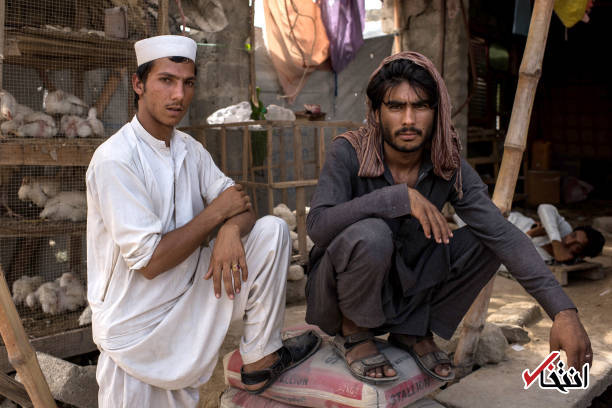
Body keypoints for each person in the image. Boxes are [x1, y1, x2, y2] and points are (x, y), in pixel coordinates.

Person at [305, 52, 592, 384]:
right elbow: (319, 227)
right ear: (376, 111)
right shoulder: (348, 151)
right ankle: (355, 333)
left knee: (489, 239)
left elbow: (503, 234)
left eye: (421, 106)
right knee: (372, 233)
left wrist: (563, 311)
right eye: (395, 107)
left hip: (403, 292)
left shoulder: (446, 162)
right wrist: (393, 198)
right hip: (338, 298)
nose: (408, 120)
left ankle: (412, 330)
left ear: (436, 111)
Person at [86, 35, 319, 407]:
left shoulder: (189, 150)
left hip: (190, 300)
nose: (179, 94)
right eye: (166, 80)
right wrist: (215, 215)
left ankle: (261, 356)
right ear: (138, 84)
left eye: (188, 83)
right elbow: (149, 262)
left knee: (272, 230)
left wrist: (228, 230)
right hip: (137, 328)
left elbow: (240, 205)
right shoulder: (116, 159)